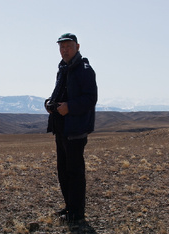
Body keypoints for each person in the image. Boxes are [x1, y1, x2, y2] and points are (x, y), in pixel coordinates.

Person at [46, 33, 97, 223]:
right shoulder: (63, 69)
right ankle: (69, 207)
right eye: (61, 47)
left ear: (77, 46)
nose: (64, 50)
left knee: (75, 171)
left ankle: (77, 213)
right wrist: (50, 103)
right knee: (63, 169)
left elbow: (90, 98)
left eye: (68, 46)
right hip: (61, 127)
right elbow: (59, 92)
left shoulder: (84, 69)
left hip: (75, 129)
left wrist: (70, 107)